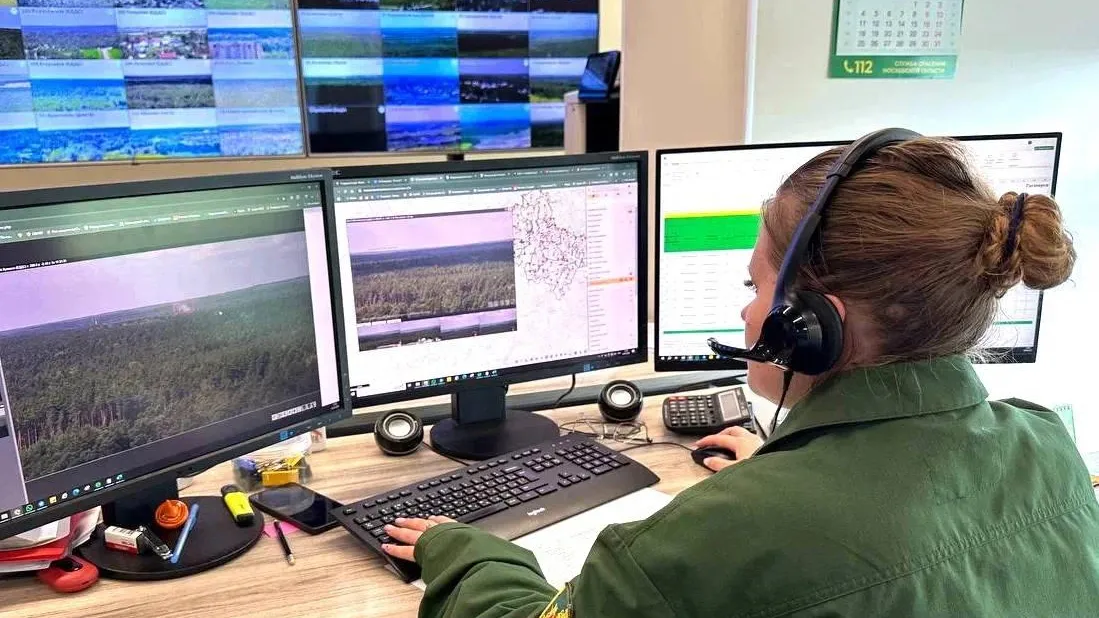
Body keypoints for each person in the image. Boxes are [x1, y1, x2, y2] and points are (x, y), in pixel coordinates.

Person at [381, 134, 1099, 617]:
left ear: (809, 325)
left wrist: (462, 550)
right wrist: (786, 473)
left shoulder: (716, 536)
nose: (746, 310)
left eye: (755, 286)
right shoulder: (1049, 449)